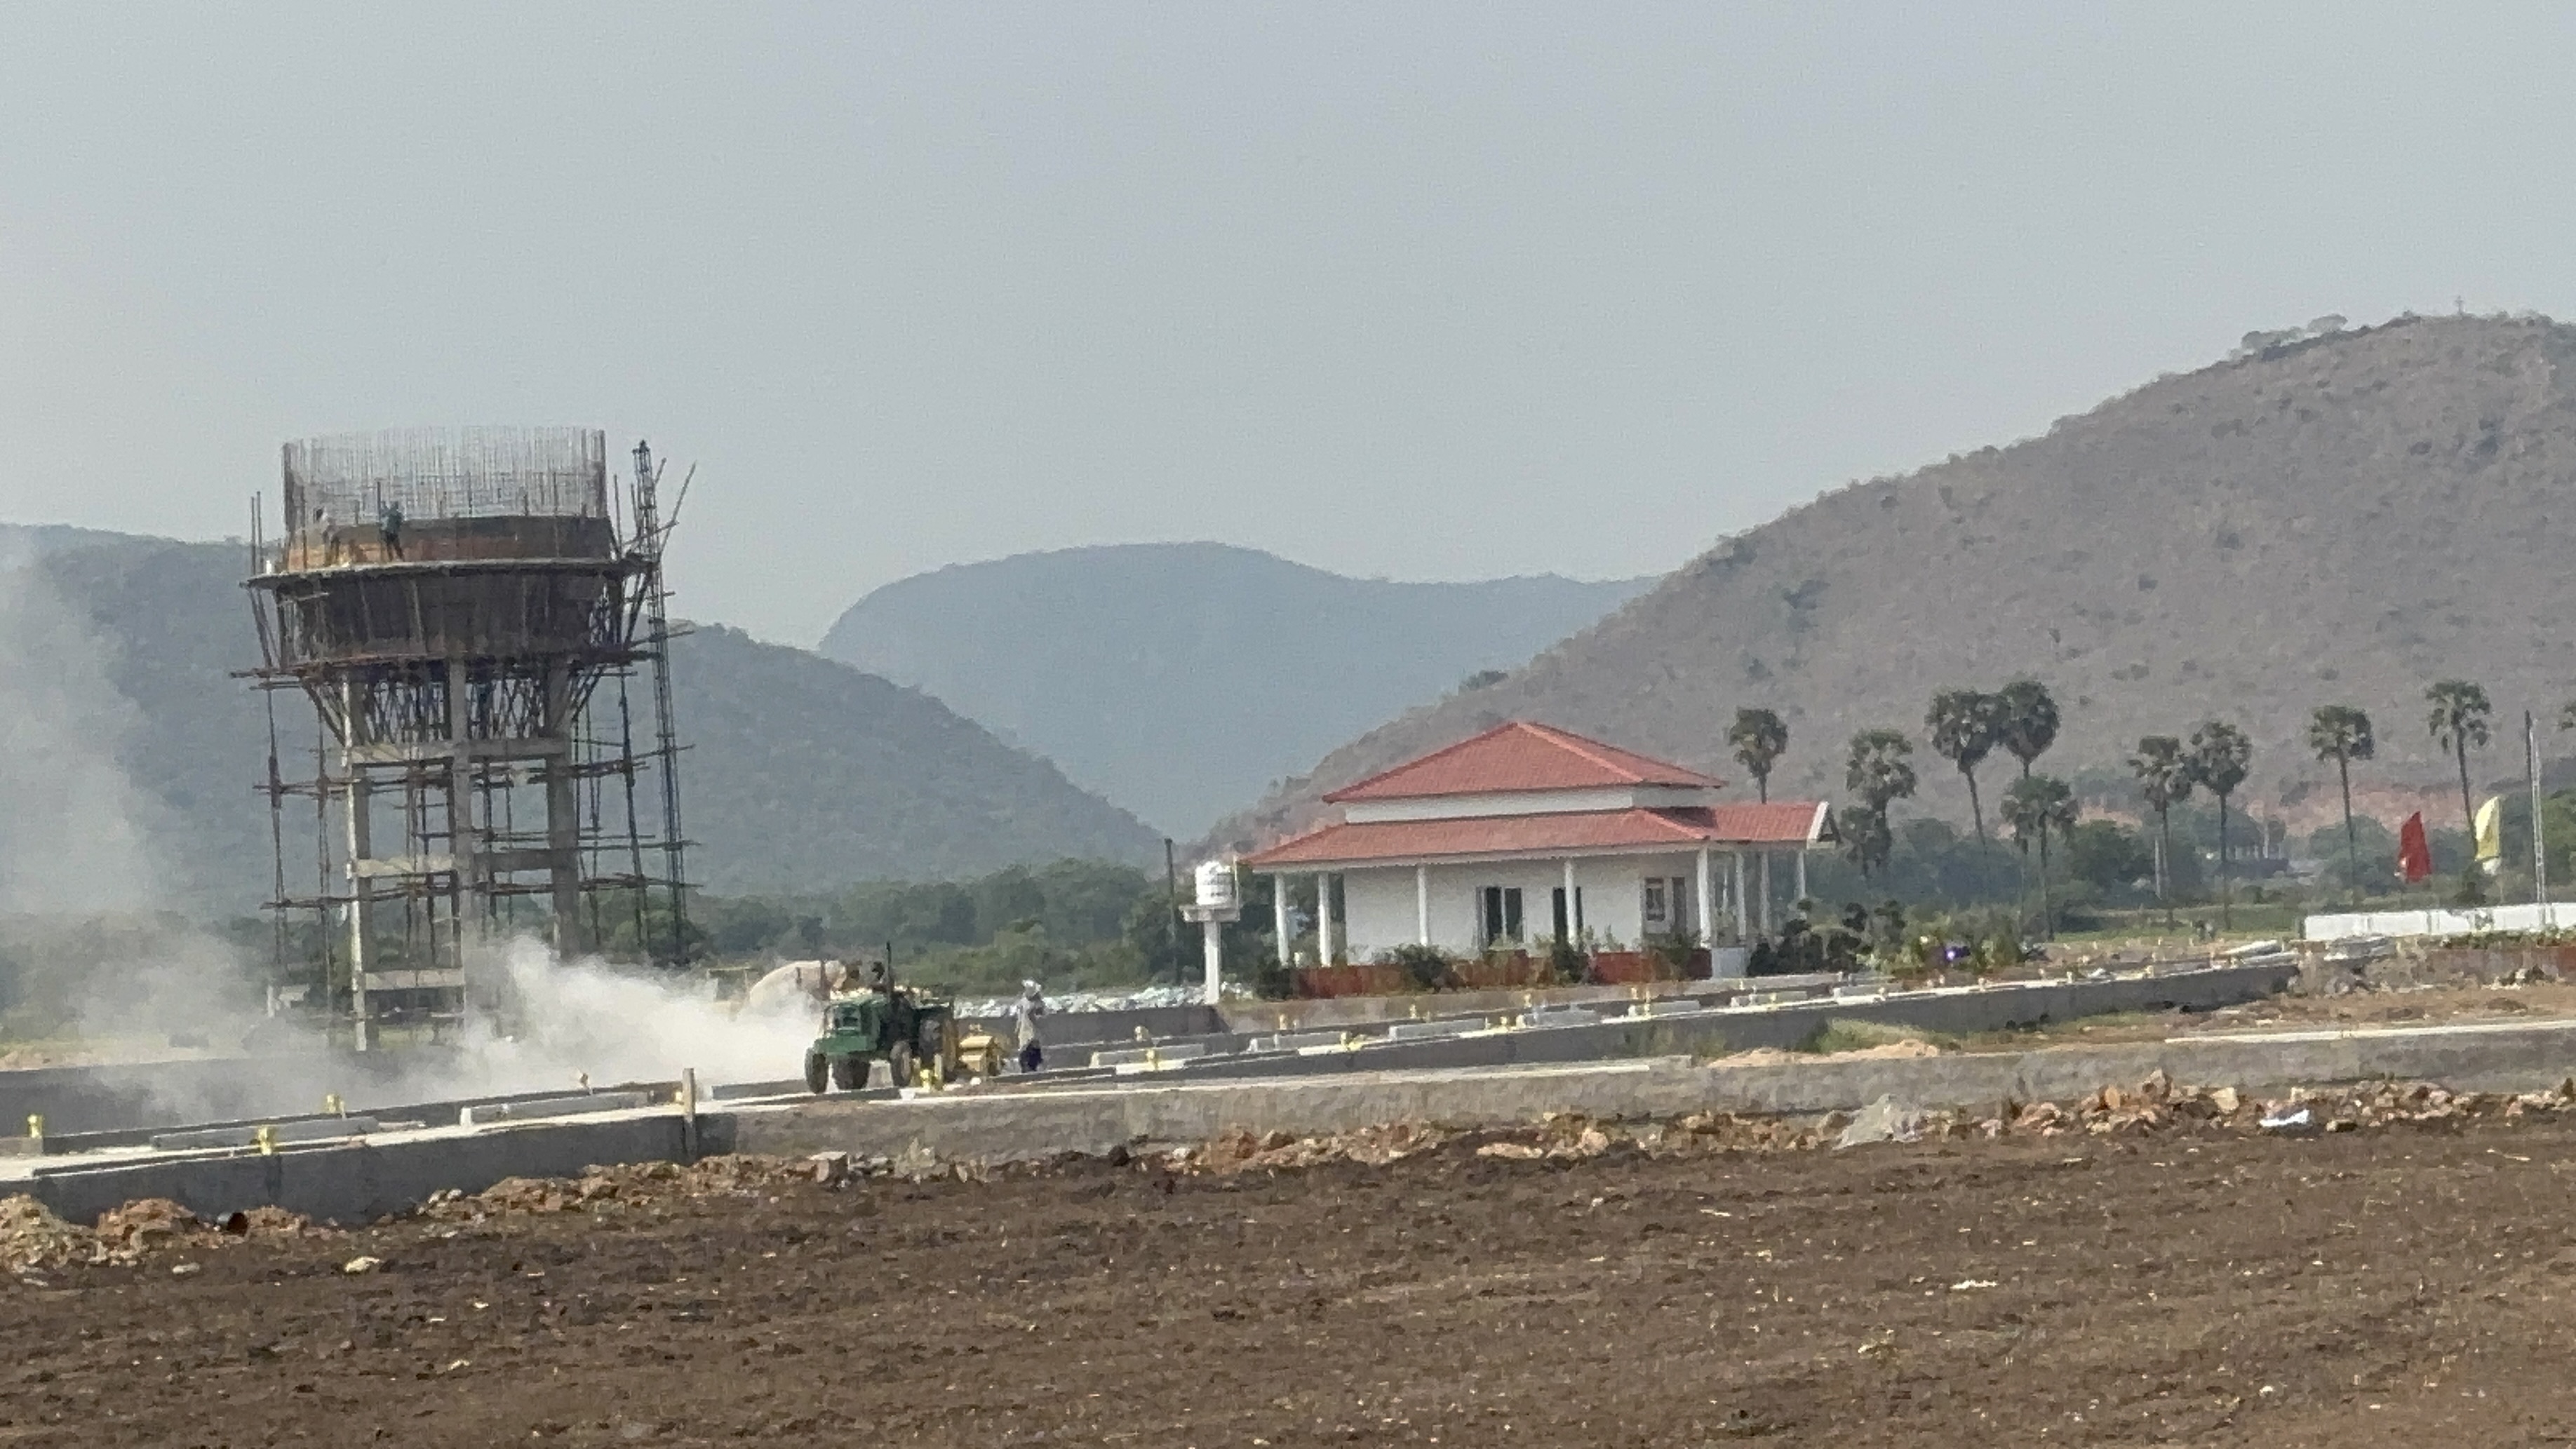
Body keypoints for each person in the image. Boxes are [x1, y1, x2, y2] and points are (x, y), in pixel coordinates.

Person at [1012, 980, 1046, 1073]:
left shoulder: (1037, 1003)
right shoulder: (1023, 1002)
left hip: (1032, 1031)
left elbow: (1040, 1016)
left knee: (1031, 1048)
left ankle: (1031, 1067)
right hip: (1025, 1030)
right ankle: (1027, 1067)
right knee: (1025, 1049)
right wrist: (1018, 1027)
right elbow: (1020, 1017)